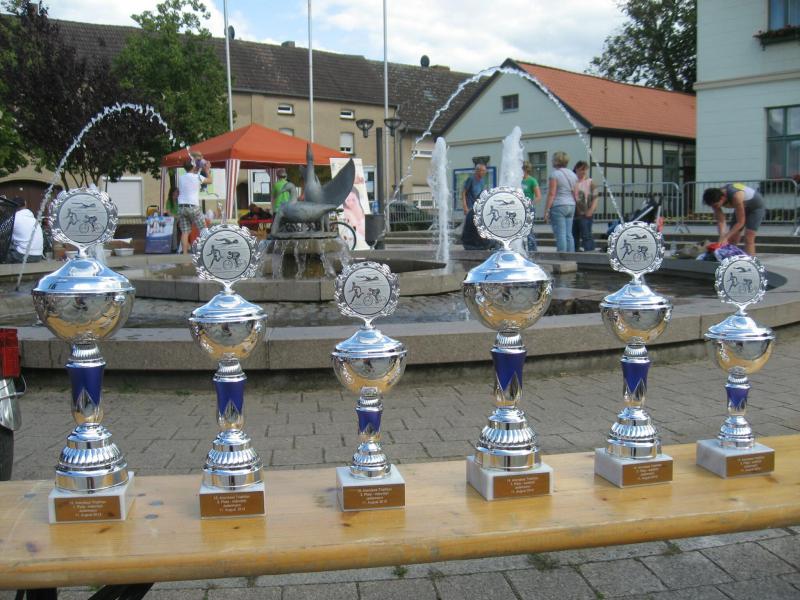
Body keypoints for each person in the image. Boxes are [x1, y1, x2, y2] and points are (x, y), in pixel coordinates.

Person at [703, 183, 766, 256]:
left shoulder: (736, 196)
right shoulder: (714, 199)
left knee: (749, 238)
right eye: (712, 206)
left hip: (756, 207)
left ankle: (752, 260)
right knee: (732, 238)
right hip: (742, 206)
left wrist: (726, 237)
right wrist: (722, 236)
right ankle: (731, 260)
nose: (715, 207)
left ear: (722, 198)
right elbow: (721, 221)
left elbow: (740, 222)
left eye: (716, 205)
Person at [543, 151, 577, 252]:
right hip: (571, 205)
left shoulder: (555, 175)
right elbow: (575, 193)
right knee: (569, 234)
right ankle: (571, 256)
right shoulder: (573, 174)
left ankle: (561, 256)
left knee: (560, 234)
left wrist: (546, 210)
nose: (551, 161)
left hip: (559, 205)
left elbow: (552, 193)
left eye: (553, 159)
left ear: (556, 161)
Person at [177, 157, 212, 254]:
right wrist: (207, 170)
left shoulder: (181, 178)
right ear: (193, 166)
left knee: (185, 232)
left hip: (182, 207)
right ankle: (206, 252)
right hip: (193, 207)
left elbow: (192, 173)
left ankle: (184, 255)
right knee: (203, 229)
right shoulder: (197, 177)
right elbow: (210, 180)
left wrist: (198, 168)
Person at [461, 163, 491, 250]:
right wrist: (465, 206)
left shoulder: (482, 181)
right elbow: (463, 192)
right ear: (477, 171)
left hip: (477, 206)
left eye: (485, 171)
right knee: (470, 224)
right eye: (482, 171)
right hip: (470, 206)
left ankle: (477, 242)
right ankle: (468, 243)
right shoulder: (471, 179)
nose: (484, 172)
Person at [6, 197, 43, 263]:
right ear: (25, 204)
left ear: (12, 206)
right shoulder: (33, 219)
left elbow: (2, 232)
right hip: (38, 256)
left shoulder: (14, 218)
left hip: (22, 256)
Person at [572, 161, 597, 252]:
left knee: (586, 235)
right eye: (581, 169)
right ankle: (575, 252)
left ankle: (590, 252)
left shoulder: (590, 182)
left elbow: (595, 198)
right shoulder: (573, 182)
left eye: (585, 169)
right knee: (574, 235)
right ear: (576, 170)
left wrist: (591, 210)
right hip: (574, 213)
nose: (583, 172)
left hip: (586, 214)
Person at [521, 161, 541, 252]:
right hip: (518, 208)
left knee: (529, 231)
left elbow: (538, 196)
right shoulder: (517, 179)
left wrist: (530, 204)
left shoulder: (532, 181)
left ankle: (533, 251)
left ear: (525, 170)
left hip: (528, 208)